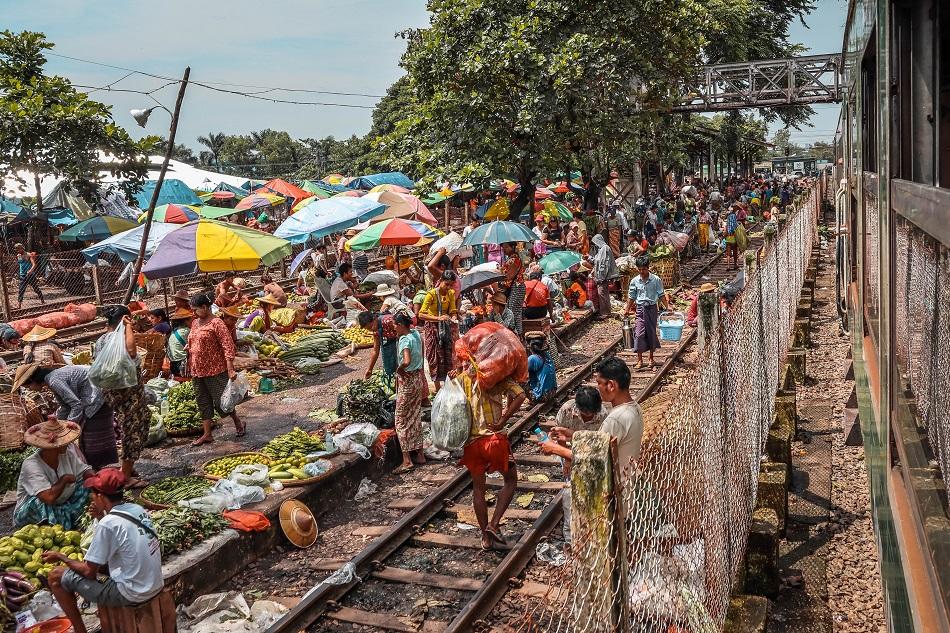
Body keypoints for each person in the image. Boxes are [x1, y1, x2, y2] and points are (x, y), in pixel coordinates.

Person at [46, 468, 163, 633]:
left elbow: (89, 572)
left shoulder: (108, 523)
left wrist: (62, 557)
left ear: (100, 496)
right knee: (102, 568)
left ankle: (80, 630)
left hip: (132, 592)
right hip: (155, 583)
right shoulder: (137, 509)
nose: (91, 498)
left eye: (93, 494)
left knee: (56, 576)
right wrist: (101, 516)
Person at [457, 364, 526, 550]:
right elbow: (520, 395)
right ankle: (494, 524)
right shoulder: (497, 374)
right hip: (494, 441)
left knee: (478, 489)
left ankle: (485, 538)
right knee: (511, 480)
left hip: (472, 443)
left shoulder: (461, 378)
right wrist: (503, 419)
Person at [540, 358, 644, 473]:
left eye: (599, 382)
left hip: (619, 485)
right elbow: (605, 441)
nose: (598, 387)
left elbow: (595, 458)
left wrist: (555, 448)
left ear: (611, 385)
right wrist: (575, 435)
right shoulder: (634, 408)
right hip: (628, 476)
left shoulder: (615, 419)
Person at [12, 363, 116, 470]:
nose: (30, 389)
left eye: (28, 386)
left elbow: (76, 405)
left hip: (98, 394)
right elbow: (65, 406)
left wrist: (68, 426)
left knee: (92, 435)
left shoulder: (54, 380)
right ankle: (103, 467)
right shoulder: (51, 379)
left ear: (32, 379)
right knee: (92, 435)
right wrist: (56, 421)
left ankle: (104, 469)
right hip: (99, 390)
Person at [94, 307, 149, 488]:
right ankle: (124, 478)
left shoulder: (101, 339)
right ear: (125, 318)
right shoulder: (119, 337)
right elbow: (132, 352)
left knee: (131, 424)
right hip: (127, 391)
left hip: (112, 391)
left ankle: (127, 468)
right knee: (133, 429)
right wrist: (128, 327)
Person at [13, 417, 92, 529]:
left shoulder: (67, 453)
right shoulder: (31, 464)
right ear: (51, 447)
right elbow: (48, 497)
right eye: (63, 442)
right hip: (34, 509)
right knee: (42, 504)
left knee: (88, 485)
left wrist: (97, 478)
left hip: (62, 501)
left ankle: (68, 519)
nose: (68, 444)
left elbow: (84, 470)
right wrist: (64, 479)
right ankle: (58, 528)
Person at [186, 293, 244, 446]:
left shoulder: (217, 323)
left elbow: (228, 346)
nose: (193, 313)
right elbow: (193, 340)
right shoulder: (195, 323)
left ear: (205, 307)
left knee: (222, 401)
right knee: (202, 401)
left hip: (215, 369)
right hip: (197, 370)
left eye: (195, 309)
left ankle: (238, 422)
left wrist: (230, 368)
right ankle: (207, 434)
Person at [392, 312, 427, 474]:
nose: (393, 327)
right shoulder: (415, 334)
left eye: (395, 324)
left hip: (407, 381)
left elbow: (406, 360)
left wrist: (399, 368)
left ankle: (406, 460)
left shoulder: (405, 339)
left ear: (400, 325)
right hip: (418, 379)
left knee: (400, 419)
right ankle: (419, 454)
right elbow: (422, 350)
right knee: (415, 415)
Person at [624, 255, 667, 369]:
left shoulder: (656, 280)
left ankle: (651, 358)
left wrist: (668, 306)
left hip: (652, 308)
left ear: (648, 268)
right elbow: (631, 296)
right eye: (640, 269)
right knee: (638, 334)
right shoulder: (635, 281)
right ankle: (639, 359)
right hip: (640, 309)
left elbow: (661, 294)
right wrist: (627, 309)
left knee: (651, 333)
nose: (642, 271)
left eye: (644, 269)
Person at [418, 271, 458, 390]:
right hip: (432, 328)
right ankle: (437, 388)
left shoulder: (450, 293)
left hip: (445, 327)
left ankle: (449, 385)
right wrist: (437, 318)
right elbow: (421, 314)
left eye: (451, 285)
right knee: (434, 357)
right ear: (440, 281)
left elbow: (452, 310)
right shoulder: (431, 294)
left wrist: (454, 317)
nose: (448, 287)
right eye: (446, 284)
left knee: (448, 356)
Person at [358, 311, 400, 381]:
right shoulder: (376, 331)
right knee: (392, 375)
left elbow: (406, 330)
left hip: (401, 348)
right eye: (368, 329)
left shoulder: (388, 321)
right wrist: (370, 369)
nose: (371, 330)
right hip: (390, 353)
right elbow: (375, 350)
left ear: (374, 319)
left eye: (371, 326)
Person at [590, 234, 619, 319]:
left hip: (602, 276)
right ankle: (607, 312)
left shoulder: (604, 249)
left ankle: (604, 313)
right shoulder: (601, 249)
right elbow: (597, 261)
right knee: (604, 294)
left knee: (601, 293)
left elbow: (604, 264)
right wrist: (589, 258)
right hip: (602, 276)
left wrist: (600, 277)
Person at [500, 242, 526, 335]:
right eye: (503, 247)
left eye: (506, 247)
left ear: (513, 246)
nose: (504, 249)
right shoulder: (511, 259)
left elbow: (509, 276)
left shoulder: (514, 259)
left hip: (516, 287)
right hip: (515, 287)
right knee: (513, 311)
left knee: (514, 312)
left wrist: (500, 275)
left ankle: (518, 335)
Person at [14, 243, 44, 309]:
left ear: (22, 248)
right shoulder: (18, 256)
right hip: (22, 275)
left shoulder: (28, 255)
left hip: (30, 275)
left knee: (36, 289)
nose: (17, 251)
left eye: (18, 249)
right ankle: (19, 305)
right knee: (21, 290)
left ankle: (42, 300)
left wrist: (30, 270)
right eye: (16, 249)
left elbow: (34, 264)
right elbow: (19, 264)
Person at [526, 337, 556, 402]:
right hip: (552, 393)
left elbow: (522, 372)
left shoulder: (532, 358)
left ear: (530, 347)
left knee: (518, 380)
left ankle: (533, 399)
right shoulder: (546, 355)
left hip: (542, 396)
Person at [166, 307, 193, 378]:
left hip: (173, 364)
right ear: (185, 321)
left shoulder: (174, 331)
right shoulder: (186, 331)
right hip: (182, 364)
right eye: (190, 320)